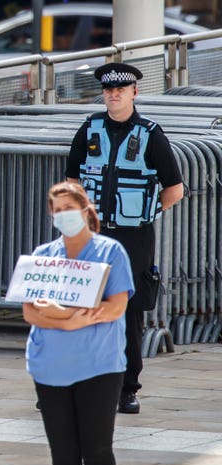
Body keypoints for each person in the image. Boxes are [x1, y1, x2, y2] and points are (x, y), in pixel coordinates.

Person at [66, 62, 184, 414]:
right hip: (91, 234)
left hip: (133, 239)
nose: (113, 94)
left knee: (128, 310)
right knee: (81, 307)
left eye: (121, 89)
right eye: (108, 90)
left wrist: (146, 213)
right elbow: (72, 180)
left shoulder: (150, 134)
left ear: (134, 92)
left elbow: (174, 189)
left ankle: (126, 389)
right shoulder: (90, 129)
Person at [23, 181, 134, 465]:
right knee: (63, 454)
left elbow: (116, 306)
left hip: (98, 366)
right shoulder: (43, 254)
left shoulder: (111, 252)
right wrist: (70, 319)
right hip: (50, 366)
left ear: (85, 210)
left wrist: (60, 314)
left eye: (69, 209)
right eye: (57, 210)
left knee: (97, 451)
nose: (63, 215)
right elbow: (31, 312)